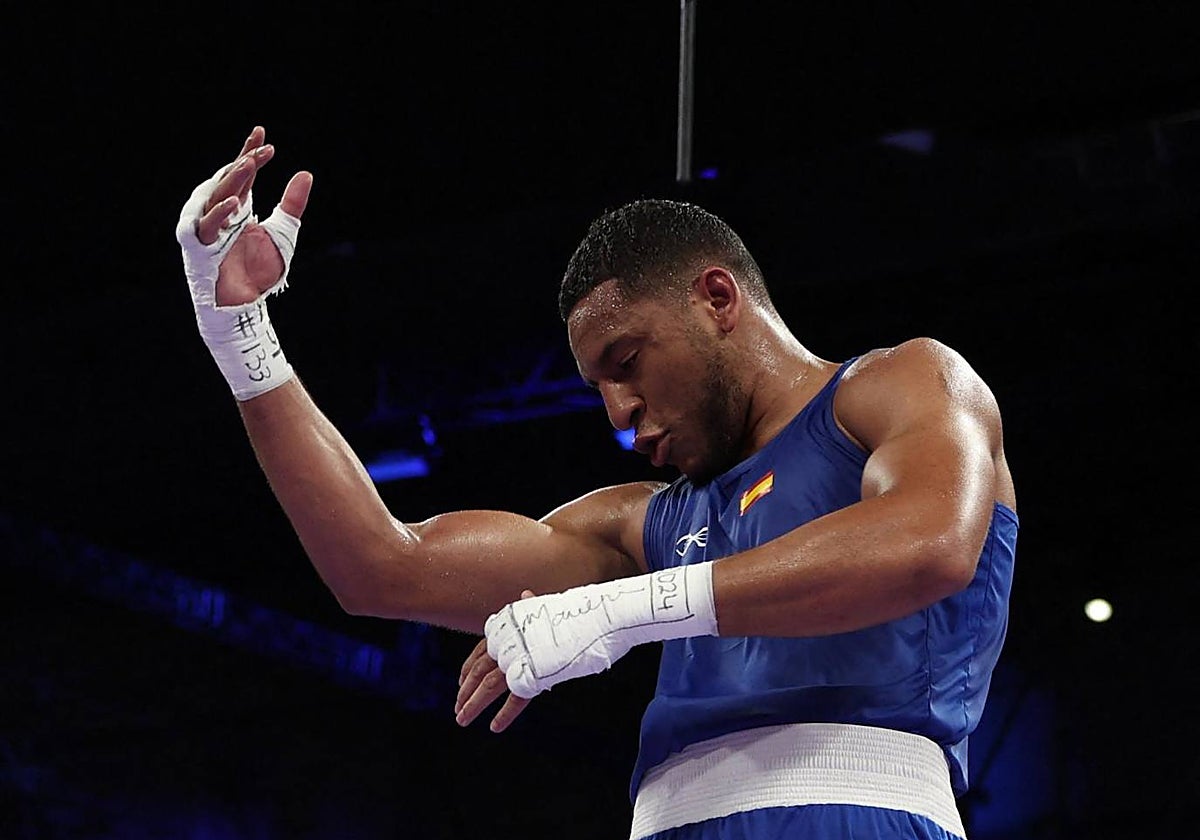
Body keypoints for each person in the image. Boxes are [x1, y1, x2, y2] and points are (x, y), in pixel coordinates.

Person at [175, 126, 1018, 840]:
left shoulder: (903, 384)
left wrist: (620, 610)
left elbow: (928, 544)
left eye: (628, 362)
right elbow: (382, 569)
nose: (620, 413)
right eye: (598, 387)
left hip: (856, 808)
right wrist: (240, 333)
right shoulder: (639, 525)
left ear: (717, 298)